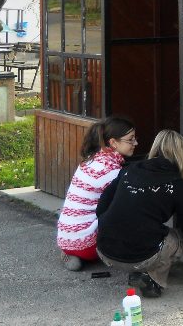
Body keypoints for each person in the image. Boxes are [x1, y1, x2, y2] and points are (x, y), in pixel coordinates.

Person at [96, 129, 183, 298]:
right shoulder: (178, 185)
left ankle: (136, 266)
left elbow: (101, 207)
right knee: (179, 238)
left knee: (143, 229)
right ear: (182, 153)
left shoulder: (129, 169)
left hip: (104, 251)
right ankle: (153, 279)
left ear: (155, 147)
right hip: (140, 257)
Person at [56, 116, 138, 272]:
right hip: (89, 245)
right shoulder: (111, 171)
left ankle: (70, 253)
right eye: (130, 140)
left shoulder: (91, 161)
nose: (136, 143)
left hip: (65, 238)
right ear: (113, 142)